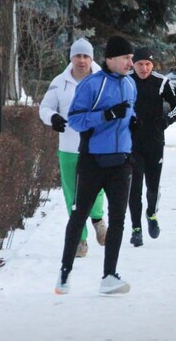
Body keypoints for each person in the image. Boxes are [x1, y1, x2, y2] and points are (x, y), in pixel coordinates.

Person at [56, 35, 137, 296]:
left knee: (118, 219)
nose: (130, 62)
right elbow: (76, 121)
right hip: (92, 161)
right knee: (79, 215)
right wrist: (106, 115)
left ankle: (109, 275)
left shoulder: (130, 85)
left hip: (121, 163)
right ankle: (65, 273)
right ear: (110, 59)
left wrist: (134, 124)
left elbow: (130, 113)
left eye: (131, 58)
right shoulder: (93, 84)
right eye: (126, 57)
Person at [38, 38, 107, 259]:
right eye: (78, 56)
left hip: (96, 146)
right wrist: (53, 117)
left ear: (92, 58)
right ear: (71, 58)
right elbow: (45, 107)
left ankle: (97, 219)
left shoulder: (102, 80)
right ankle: (80, 238)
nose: (81, 60)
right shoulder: (60, 82)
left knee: (97, 188)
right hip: (68, 146)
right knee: (72, 194)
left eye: (86, 56)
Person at [127, 47, 176, 247]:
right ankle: (136, 229)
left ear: (153, 65)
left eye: (148, 64)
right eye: (140, 64)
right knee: (134, 188)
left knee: (152, 186)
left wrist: (166, 120)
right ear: (133, 64)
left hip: (154, 142)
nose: (144, 68)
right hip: (131, 143)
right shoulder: (126, 81)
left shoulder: (162, 82)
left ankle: (151, 213)